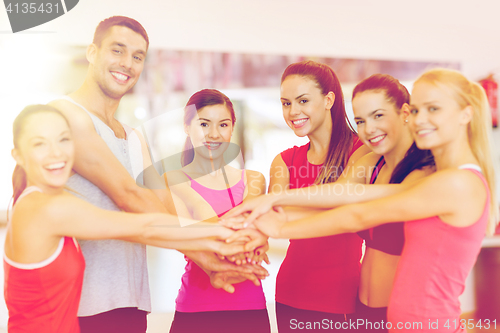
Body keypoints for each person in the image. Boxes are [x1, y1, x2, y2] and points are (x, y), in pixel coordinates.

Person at [229, 68, 498, 333]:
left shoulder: (450, 181)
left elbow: (358, 214)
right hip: (376, 313)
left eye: (433, 109)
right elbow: (345, 193)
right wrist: (277, 200)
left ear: (466, 113)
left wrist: (279, 227)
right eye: (417, 110)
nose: (420, 119)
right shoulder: (380, 164)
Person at [48, 16, 250, 332]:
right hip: (79, 306)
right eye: (117, 50)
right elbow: (129, 195)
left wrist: (205, 259)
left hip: (132, 302)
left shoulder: (133, 136)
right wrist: (214, 247)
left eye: (137, 56)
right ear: (92, 52)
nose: (127, 63)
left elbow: (163, 207)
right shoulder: (65, 114)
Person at [4, 104, 248, 333]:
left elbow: (138, 229)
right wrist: (222, 233)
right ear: (19, 155)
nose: (56, 152)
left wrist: (209, 254)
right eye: (39, 144)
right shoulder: (46, 208)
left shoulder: (40, 202)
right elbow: (144, 227)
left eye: (63, 140)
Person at [239, 60, 369, 332]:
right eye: (286, 103)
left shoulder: (361, 150)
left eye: (303, 101)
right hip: (290, 293)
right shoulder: (284, 161)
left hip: (340, 298)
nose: (293, 111)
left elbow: (341, 198)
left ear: (328, 100)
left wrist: (275, 210)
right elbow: (274, 215)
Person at [164, 89, 270, 333]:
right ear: (187, 126)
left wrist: (246, 236)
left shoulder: (252, 179)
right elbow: (193, 237)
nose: (214, 134)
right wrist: (244, 238)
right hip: (196, 308)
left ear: (232, 127)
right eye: (204, 124)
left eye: (223, 124)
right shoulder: (173, 180)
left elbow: (241, 233)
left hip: (249, 309)